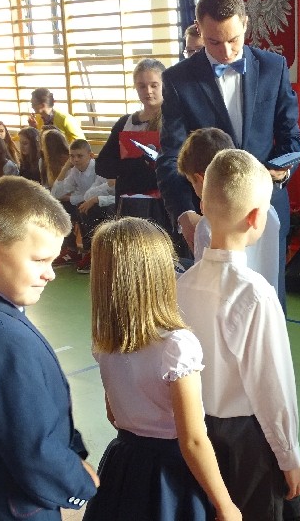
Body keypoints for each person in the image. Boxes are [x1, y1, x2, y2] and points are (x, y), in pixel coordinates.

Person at [0, 176, 99, 518]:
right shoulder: (1, 340)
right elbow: (34, 452)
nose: (50, 274)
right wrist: (80, 485)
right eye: (39, 260)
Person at [177, 149, 300, 520]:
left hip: (194, 433)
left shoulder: (182, 285)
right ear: (256, 217)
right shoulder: (254, 293)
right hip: (246, 442)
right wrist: (290, 456)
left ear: (203, 205)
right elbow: (271, 384)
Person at [82, 217, 240, 521]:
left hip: (123, 463)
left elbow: (113, 414)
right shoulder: (176, 345)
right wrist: (225, 504)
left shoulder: (105, 340)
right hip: (169, 475)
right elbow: (193, 440)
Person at [158, 0, 300, 312]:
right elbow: (171, 155)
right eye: (213, 42)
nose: (225, 51)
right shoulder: (178, 80)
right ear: (199, 30)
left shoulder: (273, 67)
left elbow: (291, 137)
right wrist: (183, 213)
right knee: (215, 309)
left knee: (269, 303)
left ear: (246, 24)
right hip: (209, 214)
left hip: (264, 210)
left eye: (233, 39)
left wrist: (283, 169)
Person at [177, 126, 280, 287]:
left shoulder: (208, 225)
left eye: (192, 182)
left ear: (202, 179)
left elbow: (203, 282)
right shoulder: (268, 212)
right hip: (266, 293)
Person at [95, 59, 173, 232]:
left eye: (154, 85)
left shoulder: (175, 122)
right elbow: (102, 166)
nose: (148, 91)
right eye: (142, 86)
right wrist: (134, 164)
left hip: (165, 206)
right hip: (131, 205)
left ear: (164, 85)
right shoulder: (125, 123)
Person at [50, 138, 106, 270]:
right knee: (59, 206)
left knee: (85, 207)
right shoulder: (74, 170)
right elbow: (56, 194)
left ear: (90, 155)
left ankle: (92, 252)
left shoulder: (99, 169)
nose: (75, 160)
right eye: (72, 156)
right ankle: (71, 250)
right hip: (83, 203)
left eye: (79, 156)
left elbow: (92, 194)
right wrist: (65, 168)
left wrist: (71, 198)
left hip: (102, 204)